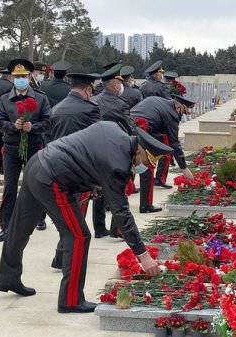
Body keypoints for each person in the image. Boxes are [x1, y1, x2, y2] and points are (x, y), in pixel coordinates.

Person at [0, 121, 169, 313]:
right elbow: (121, 213)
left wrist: (93, 186)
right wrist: (143, 255)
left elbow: (87, 156)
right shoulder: (117, 163)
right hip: (51, 179)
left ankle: (8, 278)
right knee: (78, 236)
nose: (143, 167)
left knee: (20, 227)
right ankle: (70, 301)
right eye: (144, 162)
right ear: (138, 152)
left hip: (37, 163)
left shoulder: (114, 129)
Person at [48, 71, 102, 270]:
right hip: (80, 172)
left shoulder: (57, 108)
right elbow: (96, 144)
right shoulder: (90, 110)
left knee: (67, 216)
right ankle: (64, 258)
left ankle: (60, 257)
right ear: (88, 89)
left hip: (56, 169)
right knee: (76, 218)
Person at [0, 59, 50, 242]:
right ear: (11, 78)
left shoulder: (40, 98)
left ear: (30, 77)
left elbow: (48, 122)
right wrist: (13, 126)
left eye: (24, 76)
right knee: (10, 187)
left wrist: (32, 127)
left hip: (34, 146)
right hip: (11, 147)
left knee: (36, 183)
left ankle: (39, 218)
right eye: (17, 76)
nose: (20, 79)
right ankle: (6, 226)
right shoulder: (3, 98)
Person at [130, 95, 195, 213]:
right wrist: (184, 168)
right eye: (182, 112)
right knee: (147, 168)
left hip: (126, 127)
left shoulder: (156, 99)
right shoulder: (171, 114)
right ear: (179, 107)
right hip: (141, 133)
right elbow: (174, 143)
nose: (181, 116)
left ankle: (109, 203)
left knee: (123, 167)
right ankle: (146, 205)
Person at [91, 64, 133, 238]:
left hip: (95, 151)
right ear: (115, 85)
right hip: (116, 153)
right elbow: (129, 130)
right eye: (120, 82)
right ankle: (117, 230)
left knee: (98, 189)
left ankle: (99, 228)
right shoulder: (121, 105)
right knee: (118, 192)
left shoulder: (93, 101)